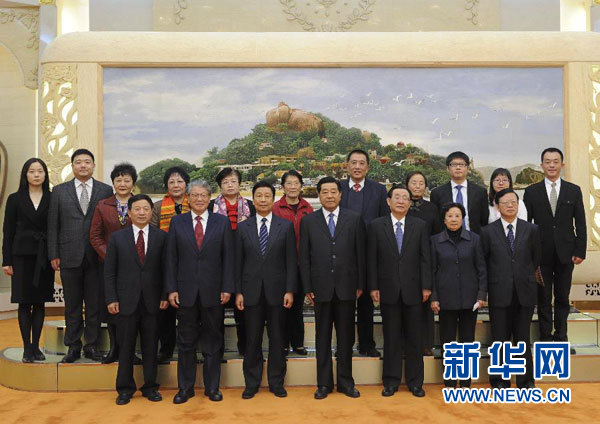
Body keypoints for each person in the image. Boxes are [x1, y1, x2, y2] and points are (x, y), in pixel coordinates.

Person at [166, 180, 234, 404]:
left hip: (214, 292)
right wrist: (171, 289)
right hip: (185, 292)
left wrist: (227, 287)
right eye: (194, 195)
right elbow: (171, 259)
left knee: (213, 342)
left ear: (209, 197)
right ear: (188, 198)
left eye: (203, 195)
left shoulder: (221, 222)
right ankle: (185, 389)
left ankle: (212, 387)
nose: (199, 199)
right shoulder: (177, 222)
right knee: (186, 342)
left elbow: (228, 258)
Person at [300, 176, 365, 400]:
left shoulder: (354, 219)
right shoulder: (309, 221)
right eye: (325, 192)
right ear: (319, 195)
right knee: (322, 338)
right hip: (320, 289)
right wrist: (307, 286)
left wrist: (360, 284)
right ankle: (324, 384)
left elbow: (360, 255)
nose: (329, 196)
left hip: (347, 287)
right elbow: (304, 257)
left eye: (333, 191)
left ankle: (346, 383)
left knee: (346, 338)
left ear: (340, 194)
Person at [47, 149, 113, 363]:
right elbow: (53, 225)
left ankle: (91, 345)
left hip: (96, 256)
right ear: (72, 166)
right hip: (68, 255)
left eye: (87, 162)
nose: (83, 165)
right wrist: (54, 253)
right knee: (72, 305)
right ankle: (73, 346)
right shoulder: (59, 191)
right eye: (78, 162)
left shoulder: (105, 190)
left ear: (93, 165)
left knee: (94, 304)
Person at [104, 194, 169, 405]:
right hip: (125, 301)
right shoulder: (117, 238)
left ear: (151, 212)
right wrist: (111, 298)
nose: (142, 213)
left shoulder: (161, 237)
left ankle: (150, 387)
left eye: (146, 209)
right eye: (137, 209)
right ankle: (124, 389)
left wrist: (164, 295)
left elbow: (166, 270)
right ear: (129, 213)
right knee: (125, 348)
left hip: (153, 302)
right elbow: (109, 271)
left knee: (151, 347)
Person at [367, 184, 431, 398]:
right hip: (388, 289)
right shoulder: (377, 226)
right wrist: (373, 286)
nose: (401, 201)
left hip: (414, 290)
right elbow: (372, 259)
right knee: (391, 337)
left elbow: (425, 258)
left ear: (410, 203)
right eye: (397, 197)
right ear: (388, 201)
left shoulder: (420, 225)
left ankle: (415, 382)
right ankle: (391, 381)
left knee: (415, 338)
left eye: (405, 197)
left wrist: (426, 286)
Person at [235, 181, 297, 399]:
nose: (263, 200)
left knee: (278, 339)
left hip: (278, 292)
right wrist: (238, 292)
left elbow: (291, 261)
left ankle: (276, 382)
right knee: (252, 339)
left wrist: (290, 290)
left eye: (267, 196)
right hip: (250, 292)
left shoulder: (285, 226)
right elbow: (237, 263)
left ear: (273, 199)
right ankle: (251, 383)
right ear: (253, 199)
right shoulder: (243, 227)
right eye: (259, 196)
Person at [523, 148, 586, 354]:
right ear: (541, 165)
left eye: (555, 161)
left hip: (566, 254)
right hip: (540, 255)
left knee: (562, 297)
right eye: (547, 161)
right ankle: (545, 339)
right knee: (542, 299)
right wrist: (529, 254)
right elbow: (526, 225)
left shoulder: (573, 190)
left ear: (562, 165)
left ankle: (561, 339)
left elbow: (581, 223)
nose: (551, 165)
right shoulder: (531, 192)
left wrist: (580, 250)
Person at [481, 189, 542, 388]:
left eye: (513, 202)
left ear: (518, 205)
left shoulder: (531, 229)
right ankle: (500, 380)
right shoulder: (487, 232)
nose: (510, 205)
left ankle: (526, 381)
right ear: (497, 206)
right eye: (505, 202)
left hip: (525, 291)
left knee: (523, 338)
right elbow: (484, 262)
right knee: (500, 338)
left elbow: (535, 259)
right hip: (499, 291)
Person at [2, 158, 54, 363]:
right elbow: (8, 231)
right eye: (32, 171)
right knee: (24, 303)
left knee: (40, 303)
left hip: (44, 256)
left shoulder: (52, 197)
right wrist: (7, 260)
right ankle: (26, 348)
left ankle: (35, 347)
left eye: (40, 171)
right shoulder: (15, 199)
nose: (36, 175)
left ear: (45, 174)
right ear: (25, 174)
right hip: (21, 256)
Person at [430, 203, 487, 388]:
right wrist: (434, 297)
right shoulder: (435, 241)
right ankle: (449, 381)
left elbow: (481, 269)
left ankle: (465, 382)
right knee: (447, 342)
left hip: (470, 299)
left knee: (467, 341)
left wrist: (481, 294)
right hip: (445, 299)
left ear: (463, 219)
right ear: (444, 219)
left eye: (457, 216)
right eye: (450, 216)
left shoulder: (474, 239)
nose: (454, 219)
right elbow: (431, 271)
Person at [340, 149, 389, 358]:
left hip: (370, 255)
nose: (357, 167)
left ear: (368, 167)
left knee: (367, 303)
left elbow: (385, 221)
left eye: (362, 163)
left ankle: (367, 344)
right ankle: (344, 345)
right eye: (354, 162)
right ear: (347, 166)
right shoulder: (338, 188)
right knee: (344, 304)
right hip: (343, 255)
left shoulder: (379, 190)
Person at [90, 163, 138, 364]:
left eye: (127, 180)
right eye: (118, 180)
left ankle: (130, 351)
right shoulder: (103, 205)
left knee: (132, 308)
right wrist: (110, 256)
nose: (122, 183)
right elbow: (95, 236)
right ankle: (114, 349)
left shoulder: (140, 204)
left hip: (136, 266)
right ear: (113, 183)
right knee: (111, 307)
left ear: (133, 183)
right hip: (108, 266)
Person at [210, 167, 255, 356]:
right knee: (216, 310)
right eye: (225, 182)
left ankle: (245, 347)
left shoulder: (250, 206)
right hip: (218, 264)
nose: (230, 185)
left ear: (239, 184)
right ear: (220, 186)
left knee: (243, 308)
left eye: (233, 181)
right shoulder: (211, 206)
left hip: (245, 262)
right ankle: (217, 350)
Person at [150, 166, 190, 364]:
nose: (176, 185)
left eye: (180, 181)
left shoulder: (197, 203)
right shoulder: (157, 207)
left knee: (189, 310)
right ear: (166, 185)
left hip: (190, 264)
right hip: (165, 263)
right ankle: (166, 349)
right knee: (165, 310)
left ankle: (188, 349)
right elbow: (153, 234)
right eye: (171, 182)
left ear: (186, 184)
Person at [272, 170, 313, 356]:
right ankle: (282, 344)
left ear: (301, 186)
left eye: (296, 183)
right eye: (289, 183)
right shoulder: (275, 208)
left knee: (297, 307)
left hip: (301, 264)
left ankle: (297, 343)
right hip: (280, 265)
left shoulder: (307, 208)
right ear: (283, 187)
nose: (293, 187)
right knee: (281, 306)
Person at [405, 170, 441, 357]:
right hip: (404, 261)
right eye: (414, 182)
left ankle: (426, 344)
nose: (417, 186)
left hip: (426, 260)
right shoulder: (400, 205)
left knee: (425, 304)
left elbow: (437, 235)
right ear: (407, 185)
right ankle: (406, 343)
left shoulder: (432, 208)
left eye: (421, 183)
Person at [430, 151, 489, 234]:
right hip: (446, 239)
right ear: (447, 168)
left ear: (468, 168)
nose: (458, 167)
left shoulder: (480, 192)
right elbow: (436, 221)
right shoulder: (437, 193)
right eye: (454, 165)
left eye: (461, 164)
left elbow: (484, 219)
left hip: (474, 238)